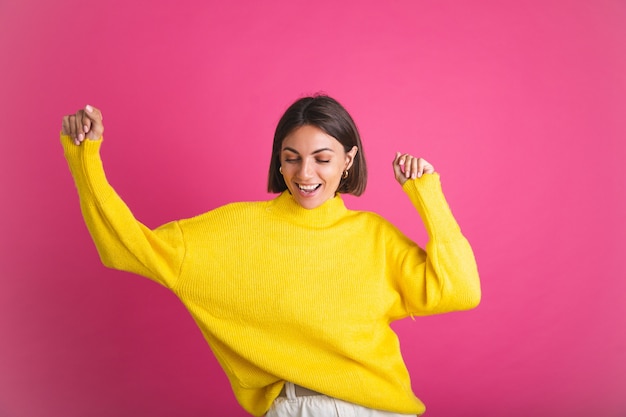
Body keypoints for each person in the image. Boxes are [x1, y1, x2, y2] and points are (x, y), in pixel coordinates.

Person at [60, 95, 481, 417]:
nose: (305, 174)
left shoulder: (375, 237)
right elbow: (125, 247)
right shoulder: (234, 229)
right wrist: (86, 159)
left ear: (348, 161)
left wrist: (427, 194)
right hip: (293, 408)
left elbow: (460, 291)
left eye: (322, 158)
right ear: (279, 162)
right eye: (291, 158)